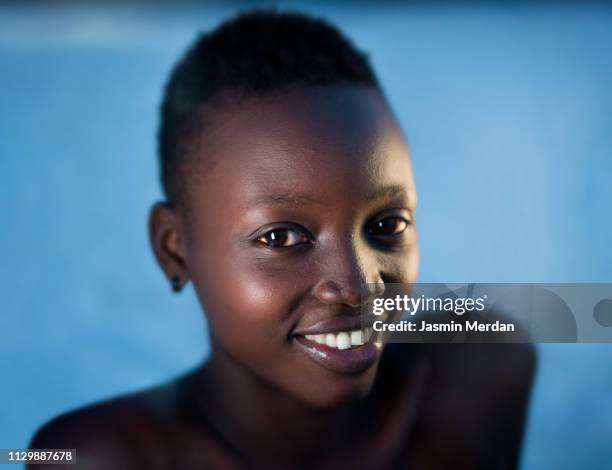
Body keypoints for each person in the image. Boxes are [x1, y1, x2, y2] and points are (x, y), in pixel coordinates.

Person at [29, 10, 535, 469]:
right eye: (281, 236)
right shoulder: (90, 458)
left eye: (388, 225)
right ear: (173, 248)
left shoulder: (482, 371)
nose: (357, 289)